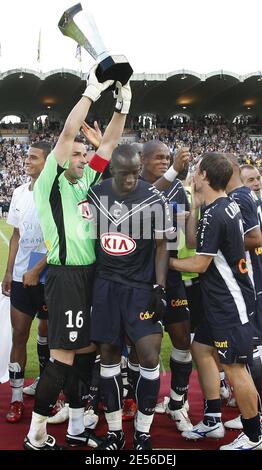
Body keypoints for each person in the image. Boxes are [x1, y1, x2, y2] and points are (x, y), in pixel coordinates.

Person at [23, 65, 130, 450]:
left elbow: (109, 145)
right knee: (63, 355)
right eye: (78, 154)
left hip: (92, 275)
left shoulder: (86, 180)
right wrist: (91, 92)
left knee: (85, 351)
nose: (85, 158)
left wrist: (123, 105)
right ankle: (36, 432)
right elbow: (69, 133)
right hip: (66, 277)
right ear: (63, 157)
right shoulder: (50, 181)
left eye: (86, 155)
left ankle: (76, 428)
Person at [169, 153, 262, 450]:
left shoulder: (218, 212)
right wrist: (195, 205)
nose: (193, 175)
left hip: (228, 302)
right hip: (220, 299)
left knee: (234, 366)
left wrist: (165, 264)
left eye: (197, 171)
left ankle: (253, 435)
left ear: (205, 175)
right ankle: (212, 418)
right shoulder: (220, 206)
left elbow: (198, 263)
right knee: (200, 347)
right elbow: (197, 242)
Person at [88, 144, 174, 450]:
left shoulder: (155, 198)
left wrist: (160, 286)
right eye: (125, 174)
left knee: (150, 355)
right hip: (106, 285)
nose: (131, 180)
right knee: (109, 357)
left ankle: (143, 432)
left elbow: (163, 245)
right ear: (112, 170)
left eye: (136, 173)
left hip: (140, 288)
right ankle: (114, 431)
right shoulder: (96, 193)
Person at [140, 142, 193, 432]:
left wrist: (188, 221)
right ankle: (138, 404)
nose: (163, 161)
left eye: (167, 158)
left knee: (182, 337)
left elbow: (185, 231)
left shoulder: (177, 189)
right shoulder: (133, 185)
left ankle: (176, 402)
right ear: (143, 160)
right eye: (158, 157)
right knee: (140, 346)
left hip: (171, 273)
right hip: (139, 276)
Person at [2, 141, 52, 423]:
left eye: (33, 157)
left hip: (49, 279)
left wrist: (38, 269)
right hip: (22, 278)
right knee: (19, 336)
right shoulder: (20, 192)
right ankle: (17, 398)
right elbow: (17, 236)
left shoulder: (55, 192)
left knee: (51, 339)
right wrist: (10, 272)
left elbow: (60, 240)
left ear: (47, 162)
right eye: (26, 156)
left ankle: (47, 393)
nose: (26, 160)